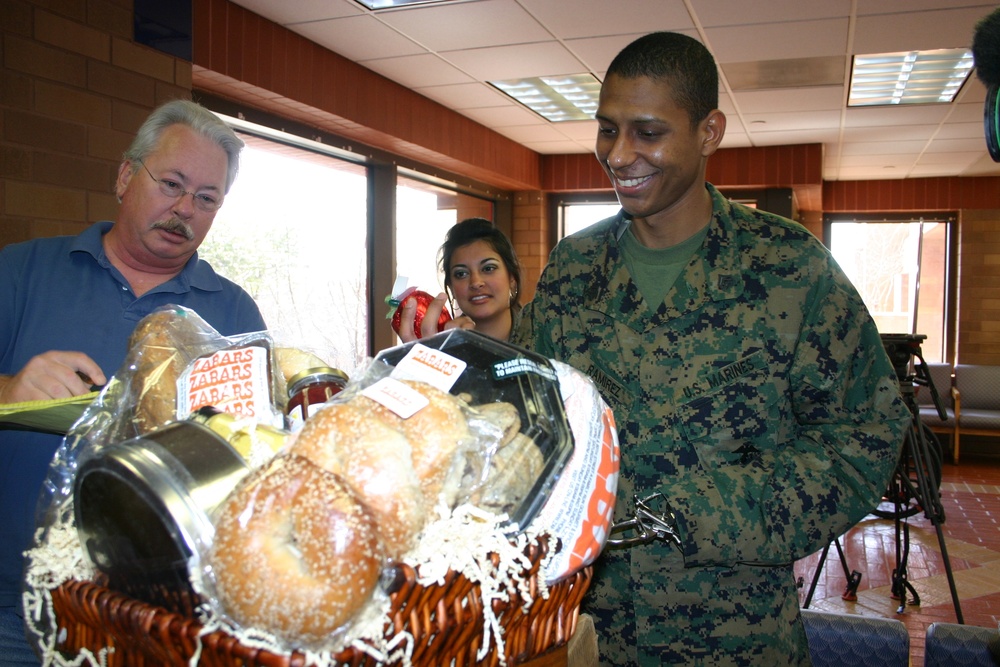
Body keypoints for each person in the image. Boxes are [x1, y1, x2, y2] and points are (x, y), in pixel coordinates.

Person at [512, 32, 910, 665]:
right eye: (607, 130)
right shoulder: (573, 267)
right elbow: (531, 417)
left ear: (709, 131)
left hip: (737, 634)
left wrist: (705, 513)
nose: (618, 155)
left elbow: (864, 438)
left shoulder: (789, 268)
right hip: (592, 630)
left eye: (646, 132)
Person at [0, 99, 266, 663]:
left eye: (206, 198)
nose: (184, 209)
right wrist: (8, 388)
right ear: (125, 175)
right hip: (9, 609)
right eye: (171, 183)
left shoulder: (236, 317)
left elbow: (256, 460)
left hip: (157, 622)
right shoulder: (19, 273)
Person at [397, 217, 522, 342]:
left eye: (488, 268)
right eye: (461, 274)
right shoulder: (442, 346)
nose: (476, 283)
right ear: (451, 287)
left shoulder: (540, 337)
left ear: (511, 277)